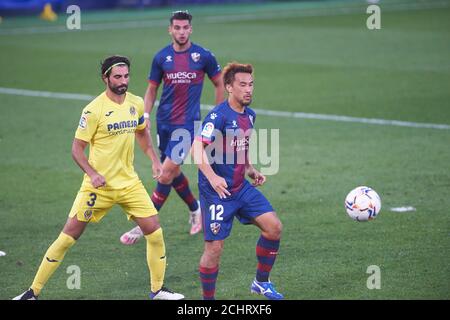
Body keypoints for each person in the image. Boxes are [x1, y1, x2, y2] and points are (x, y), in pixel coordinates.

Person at [13, 55, 184, 300]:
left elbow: (142, 134)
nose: (123, 81)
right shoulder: (93, 110)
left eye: (126, 76)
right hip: (98, 188)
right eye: (117, 77)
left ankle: (157, 291)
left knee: (154, 231)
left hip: (129, 184)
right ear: (105, 78)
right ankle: (32, 292)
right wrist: (92, 174)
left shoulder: (135, 103)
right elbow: (76, 149)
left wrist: (155, 160)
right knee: (68, 237)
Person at [120, 10, 224, 244]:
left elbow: (219, 83)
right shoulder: (161, 58)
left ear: (191, 29)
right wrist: (146, 114)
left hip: (187, 126)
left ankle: (143, 225)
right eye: (177, 28)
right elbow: (151, 89)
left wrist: (217, 115)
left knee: (165, 173)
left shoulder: (203, 56)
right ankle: (196, 209)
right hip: (164, 123)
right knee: (173, 172)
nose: (181, 31)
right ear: (170, 30)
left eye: (185, 27)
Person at [191, 62, 284, 300]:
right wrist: (212, 177)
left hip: (240, 187)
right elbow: (195, 148)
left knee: (274, 228)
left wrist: (250, 169)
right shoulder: (218, 116)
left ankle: (261, 283)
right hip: (217, 193)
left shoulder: (249, 115)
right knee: (214, 249)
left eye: (251, 84)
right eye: (242, 85)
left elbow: (239, 146)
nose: (248, 89)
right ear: (229, 87)